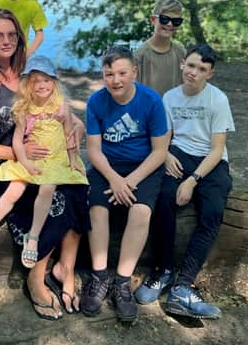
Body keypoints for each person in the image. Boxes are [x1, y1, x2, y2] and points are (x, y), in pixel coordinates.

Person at [0, 9, 89, 320]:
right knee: (54, 199)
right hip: (7, 163)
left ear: (20, 37)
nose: (5, 41)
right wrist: (17, 156)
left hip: (49, 161)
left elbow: (62, 112)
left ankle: (65, 268)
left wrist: (78, 129)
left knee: (77, 190)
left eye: (11, 34)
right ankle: (35, 275)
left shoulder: (29, 72)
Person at [133, 44, 235, 320]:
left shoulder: (218, 100)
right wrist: (165, 154)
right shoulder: (170, 98)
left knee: (212, 211)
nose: (194, 72)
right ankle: (162, 271)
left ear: (210, 74)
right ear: (182, 65)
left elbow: (216, 149)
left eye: (201, 69)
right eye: (190, 66)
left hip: (210, 162)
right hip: (178, 153)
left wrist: (192, 180)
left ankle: (183, 285)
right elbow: (163, 137)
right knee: (162, 197)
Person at [0, 55, 88, 269]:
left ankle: (32, 237)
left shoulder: (61, 107)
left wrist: (73, 161)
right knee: (14, 189)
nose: (42, 86)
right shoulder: (25, 109)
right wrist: (24, 162)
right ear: (28, 85)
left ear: (54, 82)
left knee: (47, 188)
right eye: (36, 81)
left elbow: (70, 135)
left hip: (55, 158)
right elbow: (17, 140)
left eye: (47, 80)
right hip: (32, 157)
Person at [80, 45, 169, 323]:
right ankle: (99, 276)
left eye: (121, 73)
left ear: (134, 72)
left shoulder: (151, 100)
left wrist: (129, 182)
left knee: (141, 212)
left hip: (143, 167)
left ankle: (122, 282)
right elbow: (93, 150)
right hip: (108, 166)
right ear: (103, 75)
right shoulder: (96, 102)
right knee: (97, 210)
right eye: (109, 74)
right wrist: (115, 179)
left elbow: (160, 151)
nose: (115, 80)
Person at [134, 0, 187, 96]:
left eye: (176, 21)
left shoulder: (181, 52)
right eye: (164, 19)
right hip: (150, 110)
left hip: (175, 109)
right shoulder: (140, 55)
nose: (170, 24)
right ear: (153, 19)